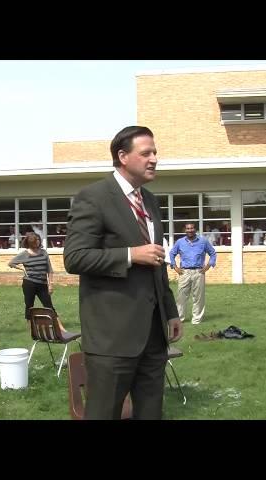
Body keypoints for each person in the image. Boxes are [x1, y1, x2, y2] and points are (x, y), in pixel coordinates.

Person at [63, 125, 182, 420]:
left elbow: (157, 261)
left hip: (153, 335)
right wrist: (131, 255)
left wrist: (170, 311)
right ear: (123, 156)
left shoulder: (150, 200)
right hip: (112, 337)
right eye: (146, 153)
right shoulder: (93, 197)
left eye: (155, 152)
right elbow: (75, 257)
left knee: (151, 413)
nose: (154, 158)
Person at [8, 231, 65, 331]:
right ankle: (31, 327)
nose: (38, 242)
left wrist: (50, 284)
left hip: (42, 284)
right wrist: (22, 269)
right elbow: (11, 263)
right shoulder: (24, 254)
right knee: (29, 305)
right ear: (30, 242)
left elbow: (49, 270)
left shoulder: (43, 252)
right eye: (35, 241)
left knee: (49, 305)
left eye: (38, 240)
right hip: (29, 283)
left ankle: (60, 327)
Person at [169, 222, 217, 325]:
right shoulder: (180, 242)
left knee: (198, 297)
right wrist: (175, 267)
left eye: (191, 228)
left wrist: (208, 267)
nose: (190, 230)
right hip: (184, 272)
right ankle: (180, 318)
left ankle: (196, 320)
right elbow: (172, 253)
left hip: (199, 272)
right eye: (187, 228)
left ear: (195, 229)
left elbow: (212, 253)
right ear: (185, 230)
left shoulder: (203, 241)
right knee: (181, 297)